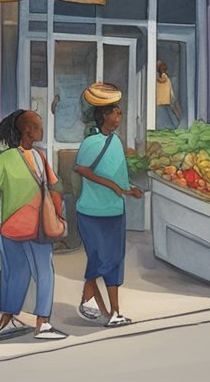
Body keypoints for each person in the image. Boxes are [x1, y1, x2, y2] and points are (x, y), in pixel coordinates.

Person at [0, 110, 66, 341]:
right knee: (44, 272)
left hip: (10, 227)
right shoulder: (39, 157)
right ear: (27, 130)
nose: (42, 129)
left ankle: (6, 322)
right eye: (38, 125)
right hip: (34, 226)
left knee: (15, 274)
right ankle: (43, 324)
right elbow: (55, 185)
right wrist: (59, 207)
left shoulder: (3, 159)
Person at [74, 83, 140, 327]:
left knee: (114, 262)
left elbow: (119, 175)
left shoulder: (115, 141)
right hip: (91, 211)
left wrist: (128, 189)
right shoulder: (92, 142)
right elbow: (81, 169)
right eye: (116, 112)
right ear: (104, 115)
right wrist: (112, 186)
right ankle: (87, 298)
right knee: (100, 259)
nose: (120, 116)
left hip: (114, 211)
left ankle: (115, 312)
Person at [155, 61, 182, 130]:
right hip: (164, 101)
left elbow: (169, 89)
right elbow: (170, 89)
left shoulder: (157, 79)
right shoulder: (166, 79)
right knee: (169, 116)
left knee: (167, 116)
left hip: (160, 101)